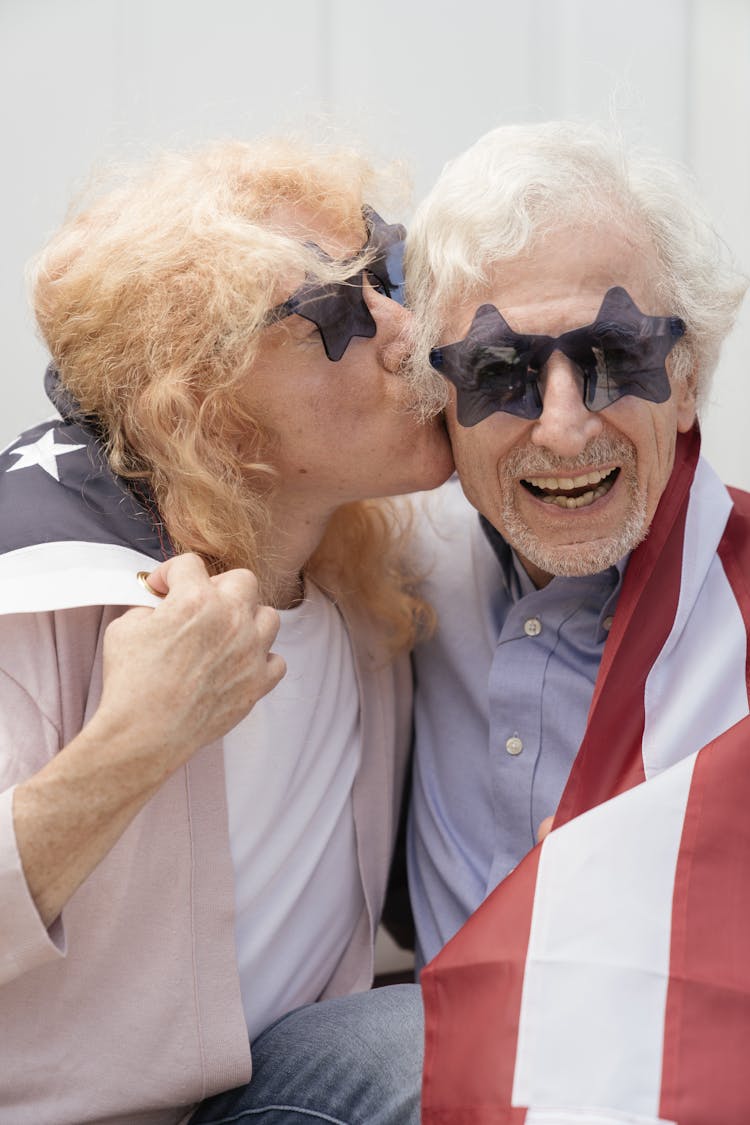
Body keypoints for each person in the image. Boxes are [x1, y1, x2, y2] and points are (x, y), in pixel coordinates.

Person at [0, 137, 453, 1124]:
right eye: (332, 311)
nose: (407, 330)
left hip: (273, 1089)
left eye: (388, 274)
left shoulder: (374, 593)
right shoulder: (36, 590)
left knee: (459, 1040)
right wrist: (135, 743)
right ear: (201, 392)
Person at [401, 121, 750, 1120]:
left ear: (686, 382)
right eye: (501, 372)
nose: (562, 425)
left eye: (612, 356)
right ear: (441, 403)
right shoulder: (383, 578)